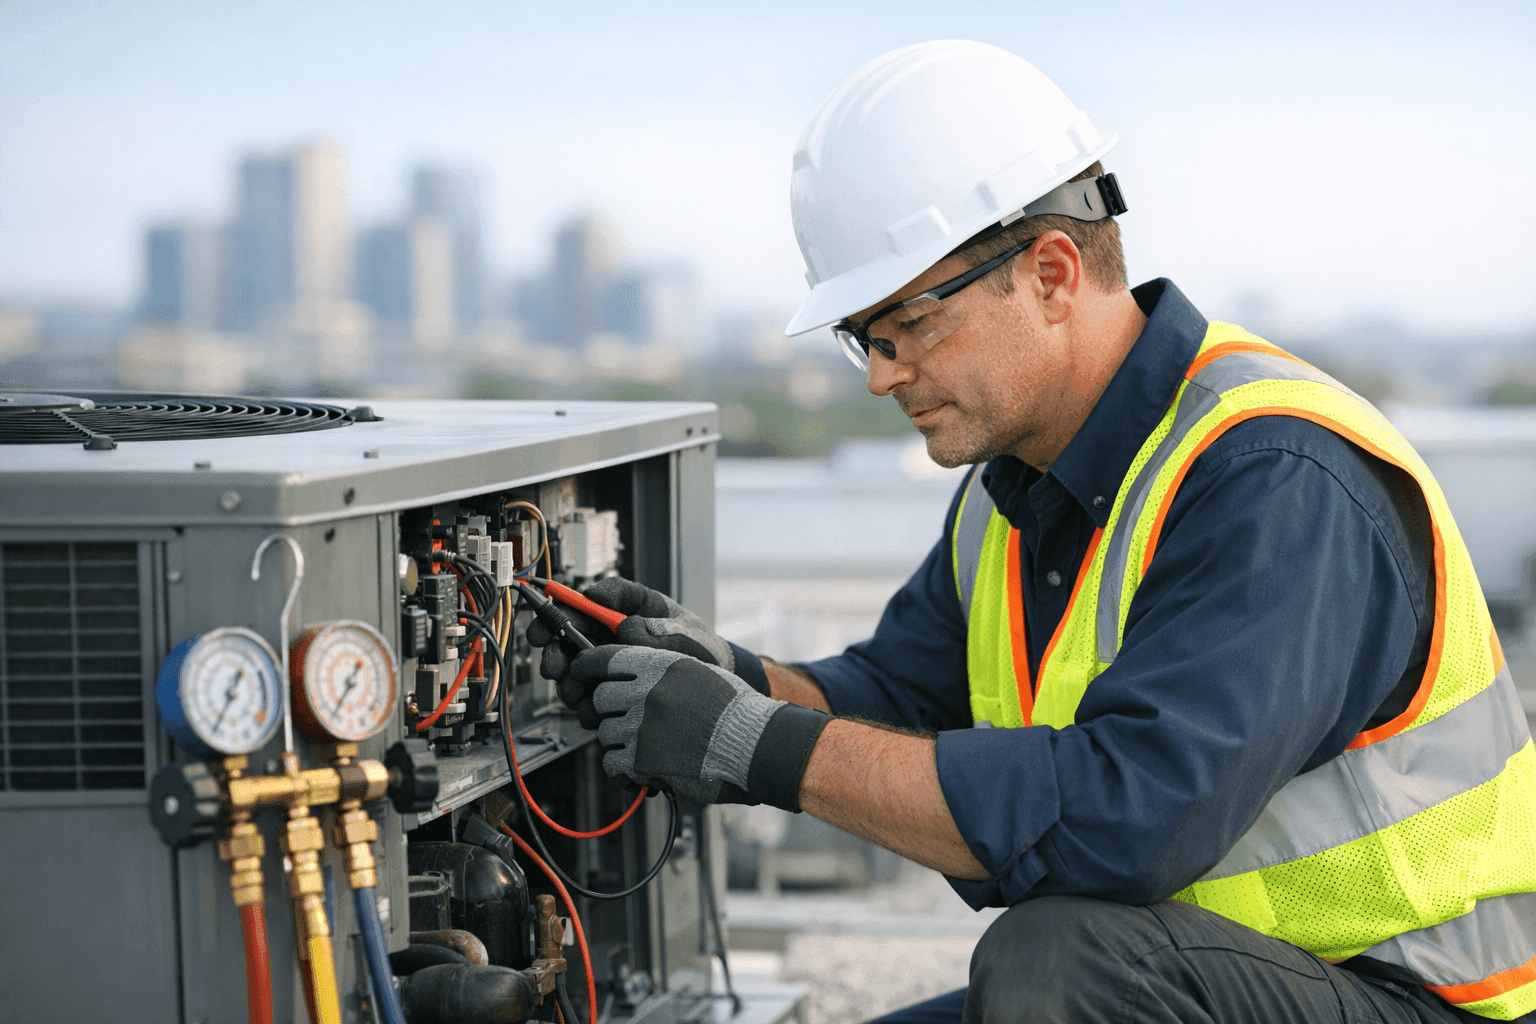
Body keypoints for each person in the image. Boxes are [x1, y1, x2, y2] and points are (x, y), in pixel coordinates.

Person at [528, 40, 1536, 1024]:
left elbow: (1128, 818)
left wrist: (755, 744)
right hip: (1205, 978)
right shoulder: (1013, 486)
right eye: (861, 340)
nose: (880, 375)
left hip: (1419, 994)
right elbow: (896, 700)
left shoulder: (1271, 476)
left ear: (1052, 273)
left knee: (1048, 961)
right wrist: (735, 676)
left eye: (906, 325)